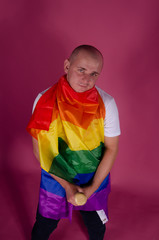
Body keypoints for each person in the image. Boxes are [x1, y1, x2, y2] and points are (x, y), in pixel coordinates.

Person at [27, 45, 121, 240]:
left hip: (92, 175)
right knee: (44, 225)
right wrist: (67, 185)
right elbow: (40, 152)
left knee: (96, 226)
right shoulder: (44, 100)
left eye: (94, 74)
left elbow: (111, 148)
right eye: (81, 70)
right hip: (56, 174)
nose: (87, 79)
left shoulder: (107, 104)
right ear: (67, 66)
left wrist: (92, 187)